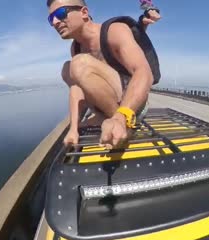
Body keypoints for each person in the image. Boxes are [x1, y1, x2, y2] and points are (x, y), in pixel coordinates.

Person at [46, 0, 161, 149]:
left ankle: (121, 125)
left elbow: (144, 73)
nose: (55, 22)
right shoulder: (76, 47)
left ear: (84, 13)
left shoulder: (114, 31)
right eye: (51, 18)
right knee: (67, 68)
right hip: (110, 104)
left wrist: (122, 117)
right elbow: (76, 88)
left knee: (78, 63)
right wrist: (73, 129)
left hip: (132, 106)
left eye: (61, 13)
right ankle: (104, 117)